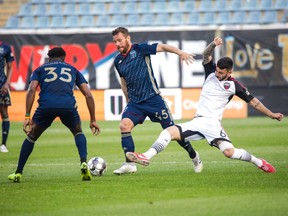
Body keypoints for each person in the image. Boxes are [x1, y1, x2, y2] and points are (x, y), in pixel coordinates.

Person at [126, 37, 284, 173]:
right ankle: (146, 156)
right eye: (217, 70)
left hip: (213, 124)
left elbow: (254, 102)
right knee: (169, 132)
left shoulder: (235, 86)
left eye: (221, 73)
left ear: (229, 72)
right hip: (198, 121)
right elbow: (206, 54)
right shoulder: (210, 72)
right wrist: (213, 44)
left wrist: (271, 114)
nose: (217, 74)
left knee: (229, 152)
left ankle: (259, 162)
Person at [111, 27, 203, 175]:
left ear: (128, 38)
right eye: (115, 41)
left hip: (154, 100)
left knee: (173, 132)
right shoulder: (118, 61)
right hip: (135, 103)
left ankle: (194, 156)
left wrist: (180, 52)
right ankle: (129, 164)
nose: (117, 44)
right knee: (124, 125)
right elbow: (123, 82)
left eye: (120, 40)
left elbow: (163, 46)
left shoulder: (140, 49)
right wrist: (128, 101)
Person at [8, 47, 101, 182]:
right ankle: (83, 162)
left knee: (32, 136)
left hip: (46, 106)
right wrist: (93, 119)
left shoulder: (40, 69)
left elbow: (31, 90)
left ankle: (18, 172)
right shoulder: (72, 69)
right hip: (67, 106)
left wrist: (27, 116)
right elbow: (88, 95)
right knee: (78, 131)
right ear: (64, 58)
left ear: (49, 58)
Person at [0, 41, 14, 153]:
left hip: (1, 84)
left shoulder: (5, 47)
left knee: (4, 113)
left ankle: (3, 144)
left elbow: (10, 66)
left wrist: (7, 83)